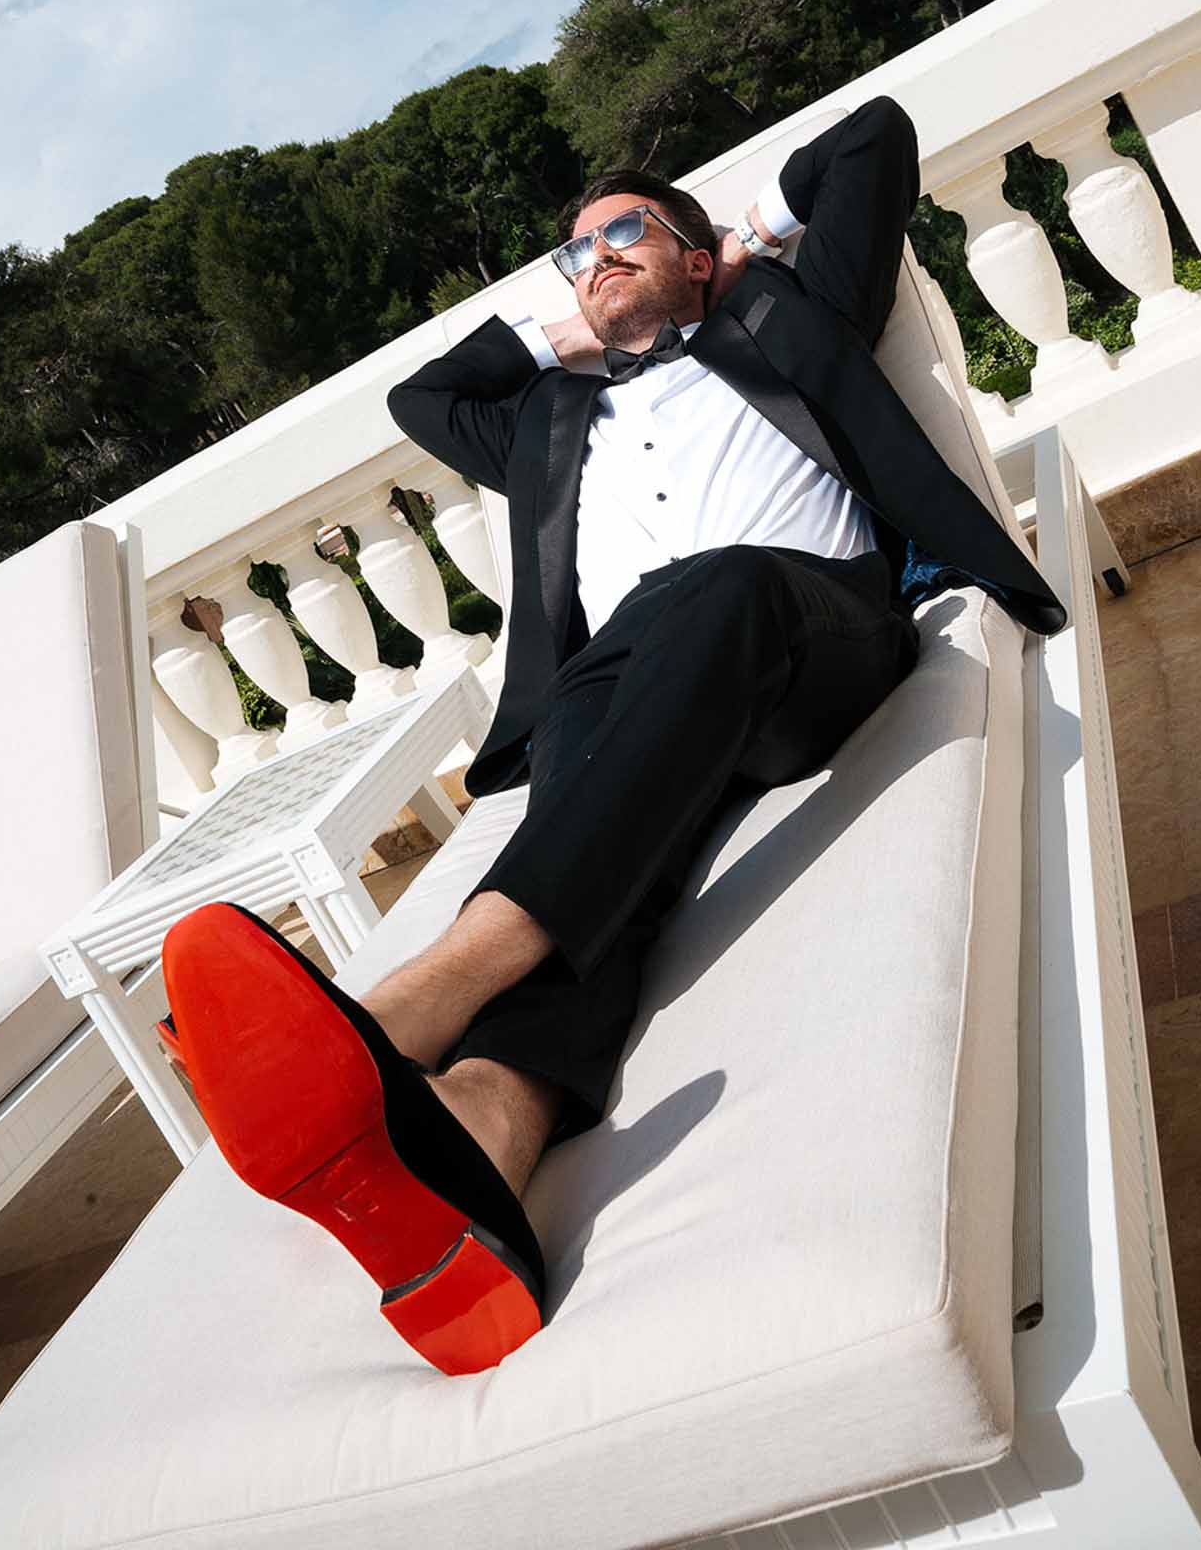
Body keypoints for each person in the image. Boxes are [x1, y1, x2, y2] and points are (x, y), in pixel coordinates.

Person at [162, 96, 1065, 1377]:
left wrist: (743, 242)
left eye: (630, 231)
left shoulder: (782, 315)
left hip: (805, 632)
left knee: (707, 585)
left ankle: (418, 994)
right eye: (580, 250)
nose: (600, 256)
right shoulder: (547, 421)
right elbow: (425, 393)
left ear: (696, 257)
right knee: (606, 806)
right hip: (625, 689)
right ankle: (484, 1135)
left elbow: (873, 136)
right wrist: (565, 327)